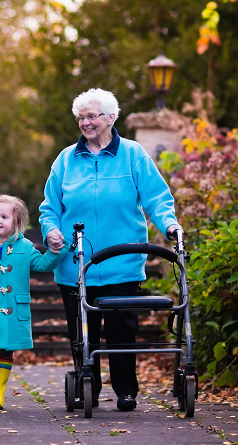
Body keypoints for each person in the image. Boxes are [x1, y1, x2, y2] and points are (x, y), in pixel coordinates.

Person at [39, 88, 183, 411]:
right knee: (81, 331)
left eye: (92, 116)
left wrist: (170, 224)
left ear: (111, 118)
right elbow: (50, 208)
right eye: (81, 118)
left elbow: (156, 198)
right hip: (75, 264)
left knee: (122, 331)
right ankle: (86, 382)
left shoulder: (133, 155)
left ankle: (126, 391)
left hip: (123, 260)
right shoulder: (65, 160)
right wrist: (50, 231)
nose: (86, 123)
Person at [0, 194, 70, 410]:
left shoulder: (25, 247)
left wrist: (57, 250)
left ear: (16, 222)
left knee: (6, 350)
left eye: (4, 216)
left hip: (13, 310)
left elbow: (42, 264)